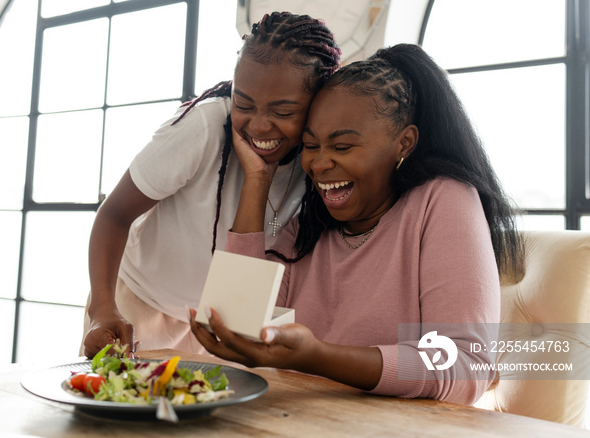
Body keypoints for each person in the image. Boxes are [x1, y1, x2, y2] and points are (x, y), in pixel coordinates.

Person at [189, 43, 524, 405]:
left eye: (343, 147)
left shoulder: (442, 200)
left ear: (404, 143)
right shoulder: (309, 226)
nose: (319, 164)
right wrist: (257, 180)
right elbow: (235, 324)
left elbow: (463, 364)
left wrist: (317, 357)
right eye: (311, 146)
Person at [81, 12, 342, 359]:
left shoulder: (317, 162)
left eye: (283, 112)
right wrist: (103, 308)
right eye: (244, 103)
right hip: (136, 310)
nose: (260, 126)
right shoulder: (204, 128)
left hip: (218, 329)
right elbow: (113, 214)